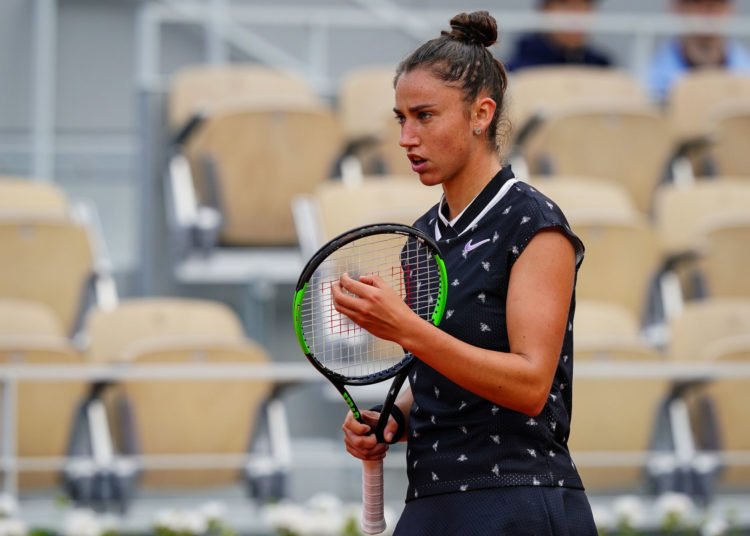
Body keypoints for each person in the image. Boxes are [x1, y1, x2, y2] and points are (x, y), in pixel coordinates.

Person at [331, 10, 597, 535]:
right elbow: (440, 374)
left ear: (481, 114)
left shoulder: (536, 224)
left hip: (517, 503)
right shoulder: (421, 237)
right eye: (400, 118)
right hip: (431, 501)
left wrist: (405, 328)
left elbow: (529, 385)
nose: (407, 137)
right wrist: (396, 420)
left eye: (425, 116)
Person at [647, 0, 750, 102]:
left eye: (715, 4)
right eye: (695, 3)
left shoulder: (745, 73)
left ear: (730, 9)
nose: (706, 13)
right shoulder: (650, 83)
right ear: (677, 8)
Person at [505, 0, 612, 72]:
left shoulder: (602, 67)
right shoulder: (517, 69)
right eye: (565, 4)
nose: (576, 13)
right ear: (544, 9)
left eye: (584, 4)